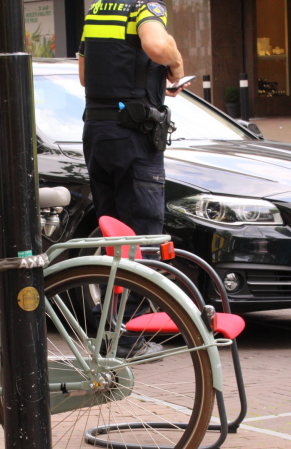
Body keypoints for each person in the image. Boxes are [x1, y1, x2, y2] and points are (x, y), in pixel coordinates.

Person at [79, 0, 190, 357]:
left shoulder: (97, 11)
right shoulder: (145, 7)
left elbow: (85, 76)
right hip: (133, 136)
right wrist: (175, 66)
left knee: (114, 238)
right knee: (142, 237)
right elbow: (156, 45)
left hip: (97, 133)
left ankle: (108, 332)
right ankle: (128, 337)